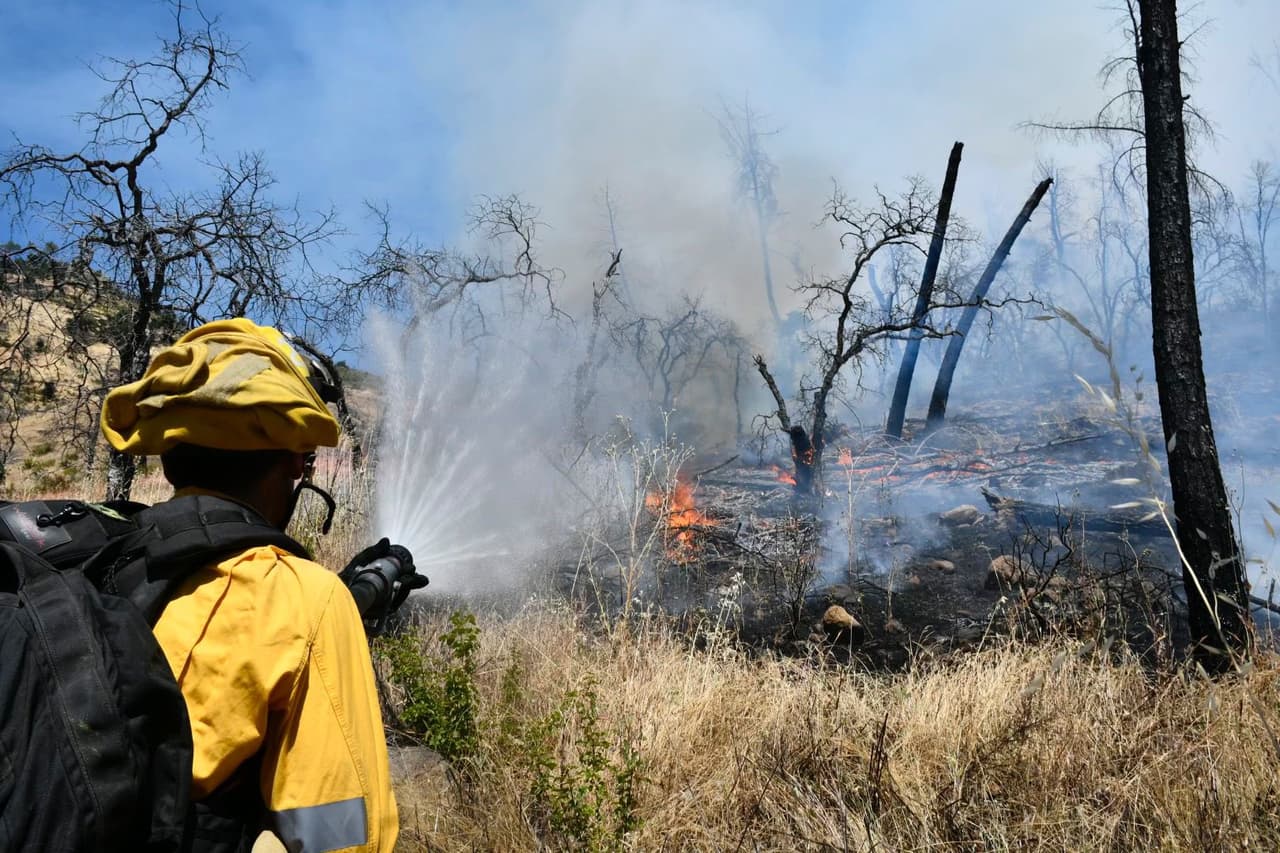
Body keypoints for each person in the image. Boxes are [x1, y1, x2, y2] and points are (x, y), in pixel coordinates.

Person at [99, 318, 399, 853]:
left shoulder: (105, 556)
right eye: (303, 461)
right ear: (288, 463)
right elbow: (343, 837)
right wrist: (331, 607)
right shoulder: (306, 601)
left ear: (170, 457)